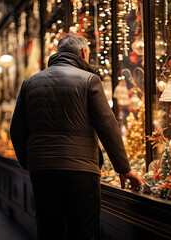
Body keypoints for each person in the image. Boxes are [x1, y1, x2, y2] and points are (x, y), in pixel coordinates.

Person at [10, 33, 142, 240]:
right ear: (82, 53)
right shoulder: (89, 80)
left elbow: (17, 130)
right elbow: (107, 126)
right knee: (82, 231)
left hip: (42, 170)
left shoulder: (30, 83)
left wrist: (30, 162)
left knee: (48, 229)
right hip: (80, 171)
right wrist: (123, 168)